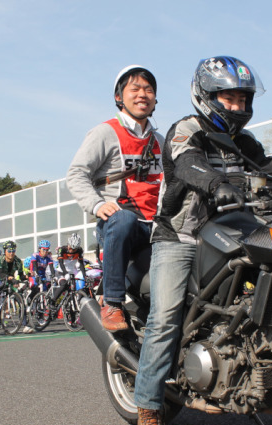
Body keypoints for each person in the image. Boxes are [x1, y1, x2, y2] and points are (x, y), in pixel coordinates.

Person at [133, 56, 272, 425]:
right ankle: (149, 408)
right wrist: (216, 183)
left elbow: (271, 168)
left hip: (232, 233)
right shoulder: (185, 129)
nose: (238, 107)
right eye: (229, 98)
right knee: (166, 316)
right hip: (181, 236)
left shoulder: (244, 141)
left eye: (243, 99)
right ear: (207, 97)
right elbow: (187, 163)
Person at [66, 65, 163, 332]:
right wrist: (97, 205)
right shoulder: (104, 132)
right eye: (135, 89)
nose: (143, 94)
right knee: (124, 218)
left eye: (149, 89)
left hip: (154, 228)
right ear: (119, 97)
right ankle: (111, 302)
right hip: (120, 226)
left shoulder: (161, 141)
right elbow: (76, 174)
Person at [0, 241, 32, 332]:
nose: (11, 253)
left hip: (11, 282)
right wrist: (11, 278)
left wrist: (28, 276)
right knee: (0, 285)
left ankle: (25, 325)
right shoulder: (0, 259)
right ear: (5, 251)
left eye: (13, 251)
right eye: (9, 251)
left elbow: (21, 275)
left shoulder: (17, 261)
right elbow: (1, 273)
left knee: (20, 299)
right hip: (1, 279)